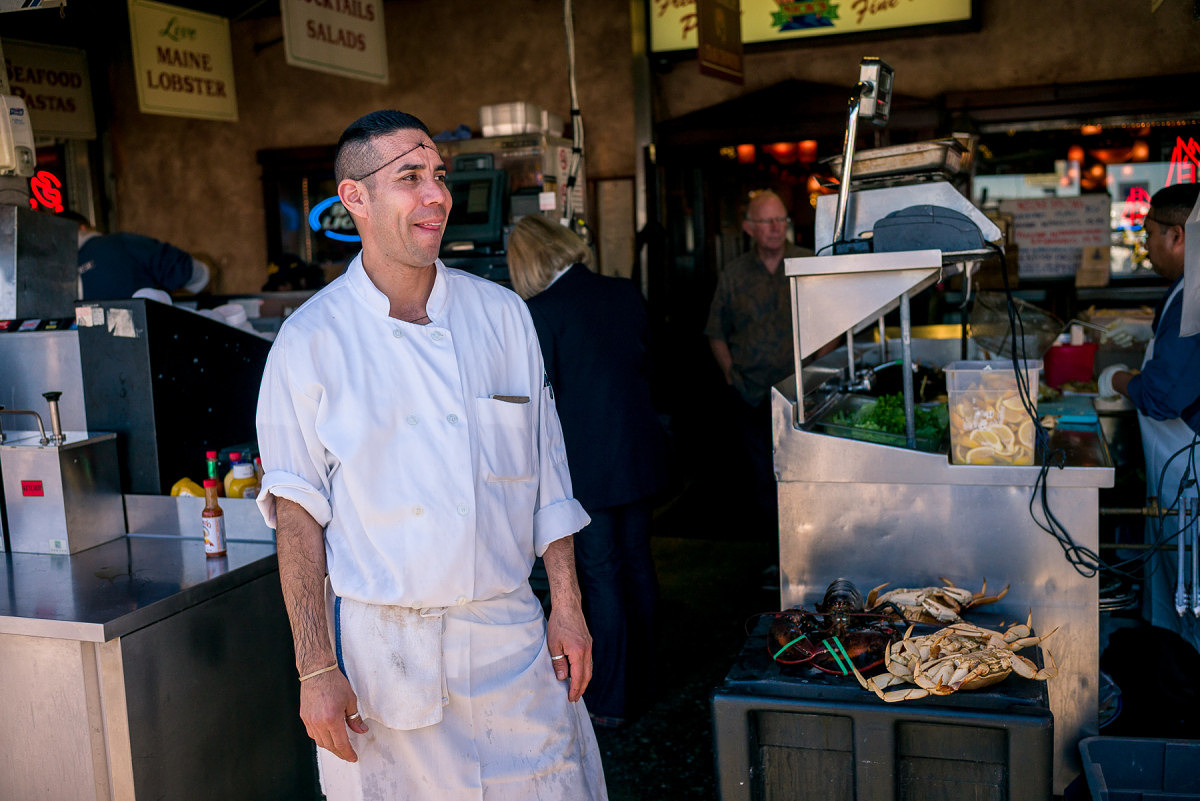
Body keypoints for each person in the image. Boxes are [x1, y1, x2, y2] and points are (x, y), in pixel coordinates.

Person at [255, 110, 607, 801]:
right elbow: (297, 517)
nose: (437, 195)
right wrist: (314, 667)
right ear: (353, 198)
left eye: (438, 177)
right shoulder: (310, 341)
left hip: (510, 640)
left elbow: (549, 478)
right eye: (409, 178)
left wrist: (567, 605)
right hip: (389, 664)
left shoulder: (502, 316)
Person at [507, 214, 669, 728]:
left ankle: (612, 701)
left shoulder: (541, 312)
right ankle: (648, 678)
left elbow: (538, 402)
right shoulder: (623, 292)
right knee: (638, 567)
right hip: (638, 456)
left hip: (588, 472)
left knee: (601, 578)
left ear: (526, 261)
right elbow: (649, 363)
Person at [1098, 181, 1200, 655]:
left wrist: (1117, 378)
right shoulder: (1186, 288)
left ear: (1177, 236)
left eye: (1150, 233)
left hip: (1191, 481)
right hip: (1180, 477)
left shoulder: (1193, 298)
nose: (1146, 245)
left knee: (1192, 599)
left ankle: (1184, 705)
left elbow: (1161, 395)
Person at [704, 189, 813, 534]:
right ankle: (772, 553)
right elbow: (715, 331)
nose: (776, 227)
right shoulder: (735, 274)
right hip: (750, 394)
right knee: (763, 475)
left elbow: (832, 322)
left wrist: (816, 374)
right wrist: (730, 376)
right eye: (767, 220)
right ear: (749, 227)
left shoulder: (807, 263)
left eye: (781, 219)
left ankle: (804, 547)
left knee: (803, 473)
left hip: (801, 392)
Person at [59, 211, 210, 300]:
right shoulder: (119, 243)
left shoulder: (54, 276)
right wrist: (204, 274)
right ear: (83, 228)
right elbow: (181, 268)